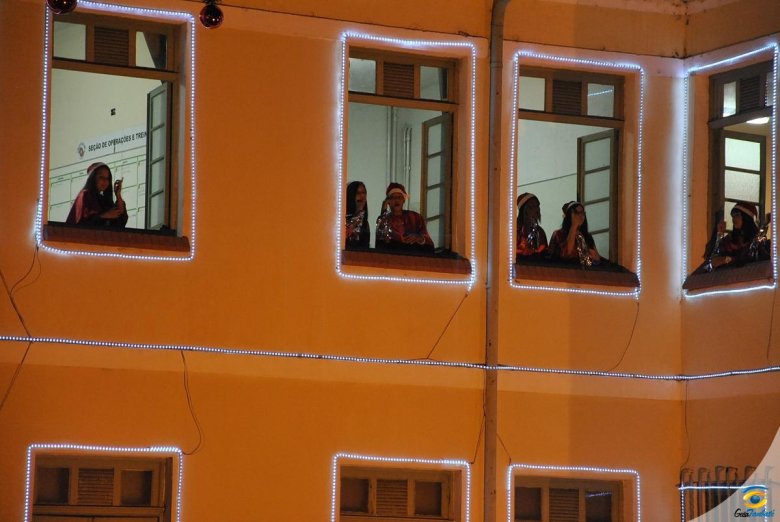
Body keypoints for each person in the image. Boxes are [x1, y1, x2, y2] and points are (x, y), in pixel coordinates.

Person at [706, 201, 767, 269]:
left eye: (737, 215)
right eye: (732, 216)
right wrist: (719, 234)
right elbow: (713, 257)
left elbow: (753, 260)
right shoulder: (730, 238)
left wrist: (728, 259)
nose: (733, 219)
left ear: (746, 217)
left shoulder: (758, 239)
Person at [375, 182, 434, 252]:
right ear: (388, 202)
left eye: (399, 197)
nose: (396, 200)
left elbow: (428, 241)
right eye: (393, 198)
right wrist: (383, 210)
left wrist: (419, 238)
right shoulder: (385, 219)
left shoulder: (415, 217)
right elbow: (380, 242)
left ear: (403, 200)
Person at [65, 162, 127, 228]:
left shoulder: (103, 200)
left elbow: (120, 219)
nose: (105, 181)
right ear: (93, 178)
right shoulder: (84, 195)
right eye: (101, 177)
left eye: (107, 178)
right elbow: (81, 224)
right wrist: (104, 216)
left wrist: (118, 195)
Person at [548, 201, 600, 265]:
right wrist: (574, 225)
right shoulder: (558, 234)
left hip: (585, 269)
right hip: (565, 269)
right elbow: (567, 253)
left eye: (582, 213)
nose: (580, 215)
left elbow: (597, 259)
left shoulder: (587, 236)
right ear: (569, 215)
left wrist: (593, 255)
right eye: (577, 213)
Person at [515, 192, 548, 260]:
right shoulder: (514, 229)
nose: (536, 209)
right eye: (532, 206)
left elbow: (545, 253)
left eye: (537, 206)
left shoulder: (539, 231)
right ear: (524, 210)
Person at [345, 181, 370, 248]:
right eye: (358, 193)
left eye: (364, 193)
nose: (362, 196)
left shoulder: (365, 222)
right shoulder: (343, 219)